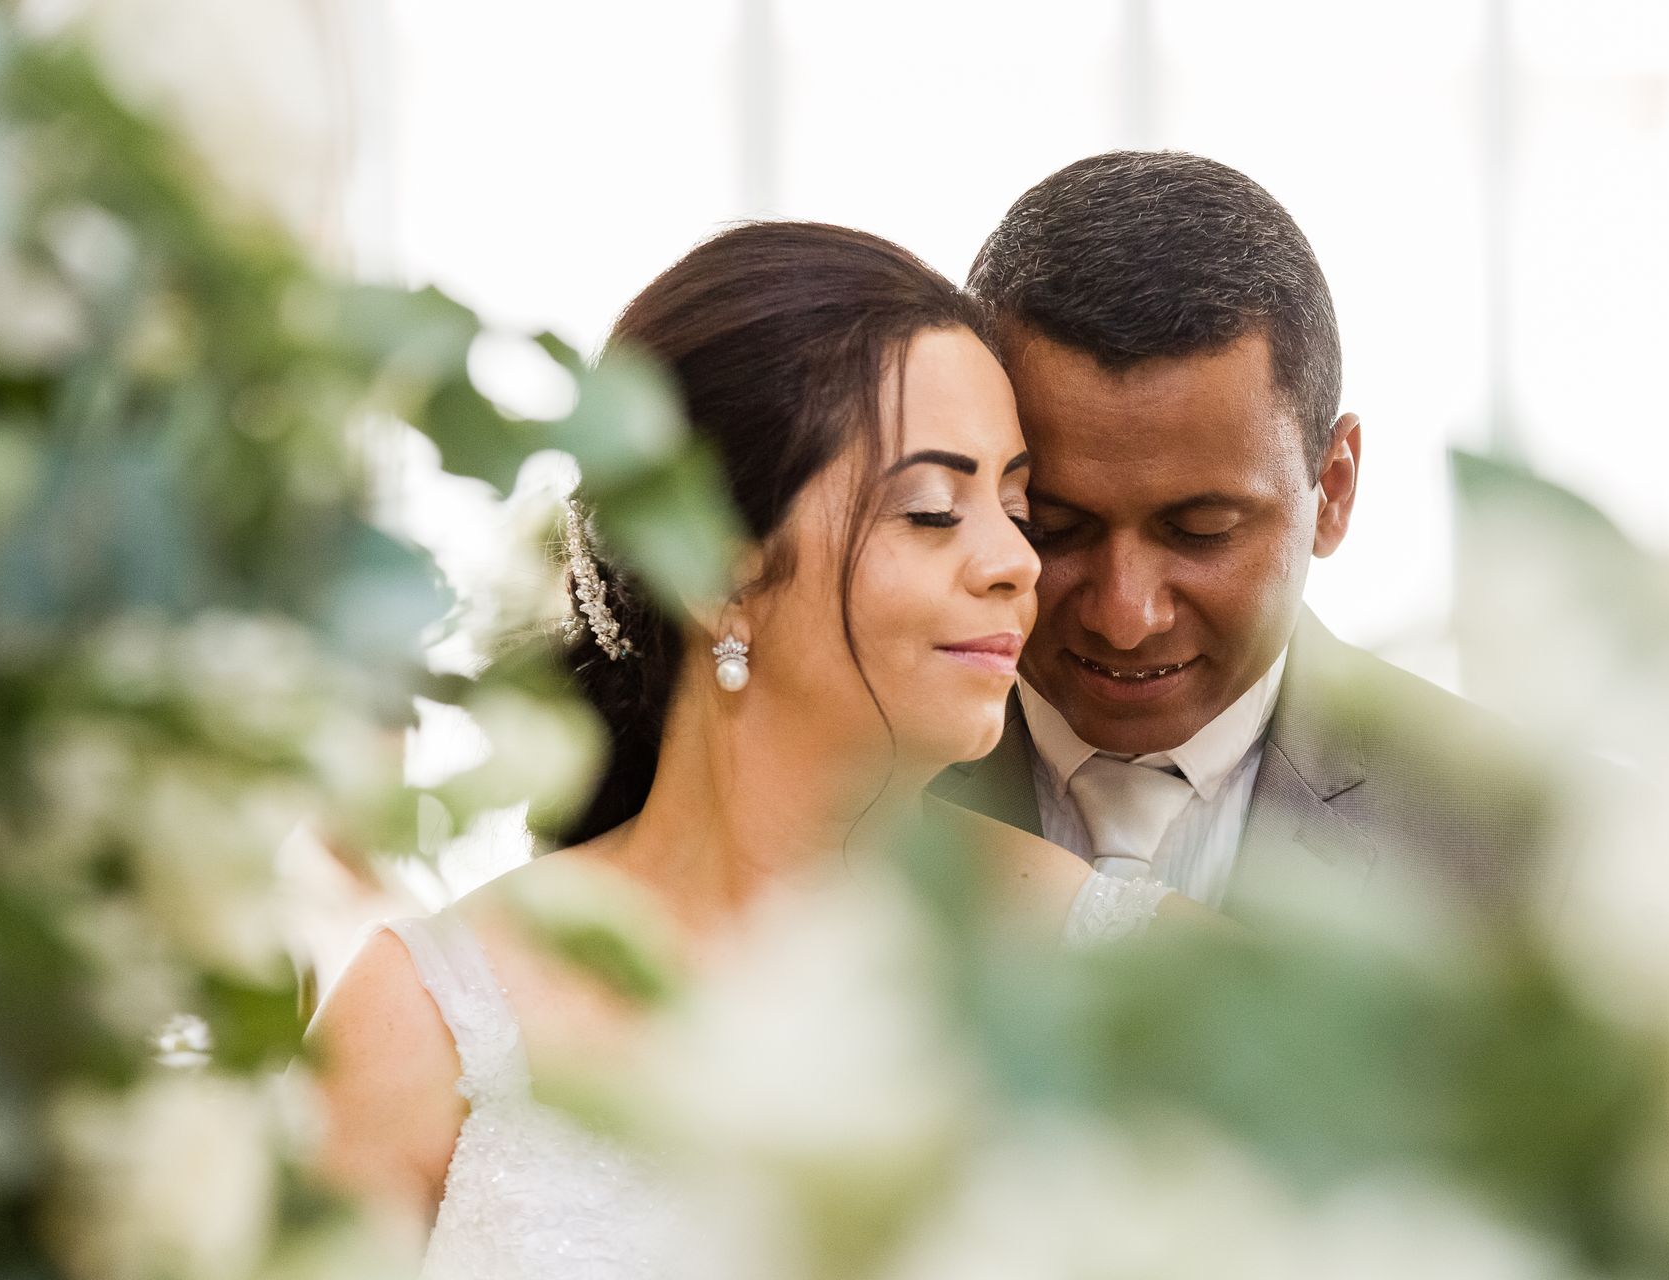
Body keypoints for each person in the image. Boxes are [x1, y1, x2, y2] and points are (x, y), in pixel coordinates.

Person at [307, 222, 1189, 1279]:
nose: (1013, 562)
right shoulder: (427, 1019)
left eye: (1013, 505)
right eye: (931, 510)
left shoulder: (1146, 984)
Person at [934, 151, 1559, 924]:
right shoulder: (851, 786)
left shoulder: (1525, 844)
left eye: (1200, 532)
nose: (1125, 617)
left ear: (1333, 491)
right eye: (1054, 527)